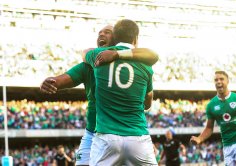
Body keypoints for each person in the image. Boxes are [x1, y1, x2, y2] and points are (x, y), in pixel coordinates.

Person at [40, 25, 158, 166]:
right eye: (99, 33)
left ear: (116, 38)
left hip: (106, 134)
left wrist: (115, 54)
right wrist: (51, 82)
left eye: (107, 32)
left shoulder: (121, 59)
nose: (101, 35)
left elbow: (85, 52)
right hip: (95, 132)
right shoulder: (90, 64)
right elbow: (63, 79)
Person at [83, 19, 158, 166]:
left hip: (106, 137)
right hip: (138, 137)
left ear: (115, 37)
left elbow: (84, 52)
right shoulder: (146, 64)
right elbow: (148, 103)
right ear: (136, 39)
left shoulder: (99, 55)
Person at [190, 71, 236, 166]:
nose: (218, 81)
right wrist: (199, 139)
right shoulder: (211, 105)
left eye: (221, 79)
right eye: (216, 80)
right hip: (227, 145)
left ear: (228, 81)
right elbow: (209, 128)